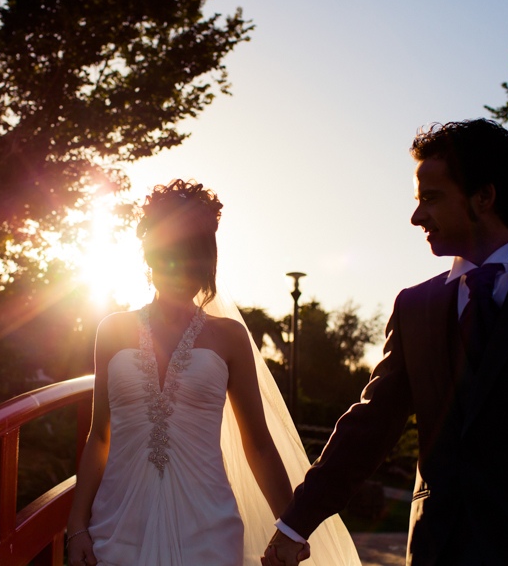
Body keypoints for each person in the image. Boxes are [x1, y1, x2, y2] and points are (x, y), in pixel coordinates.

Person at [263, 119, 508, 565]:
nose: (416, 215)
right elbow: (370, 426)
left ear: (484, 197)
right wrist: (294, 524)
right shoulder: (414, 307)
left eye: (432, 198)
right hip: (435, 551)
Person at [67, 179, 360, 565]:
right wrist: (77, 525)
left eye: (195, 256)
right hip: (117, 524)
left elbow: (258, 443)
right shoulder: (111, 330)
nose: (180, 267)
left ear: (209, 262)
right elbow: (99, 435)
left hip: (208, 528)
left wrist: (292, 526)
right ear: (149, 255)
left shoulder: (230, 337)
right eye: (168, 253)